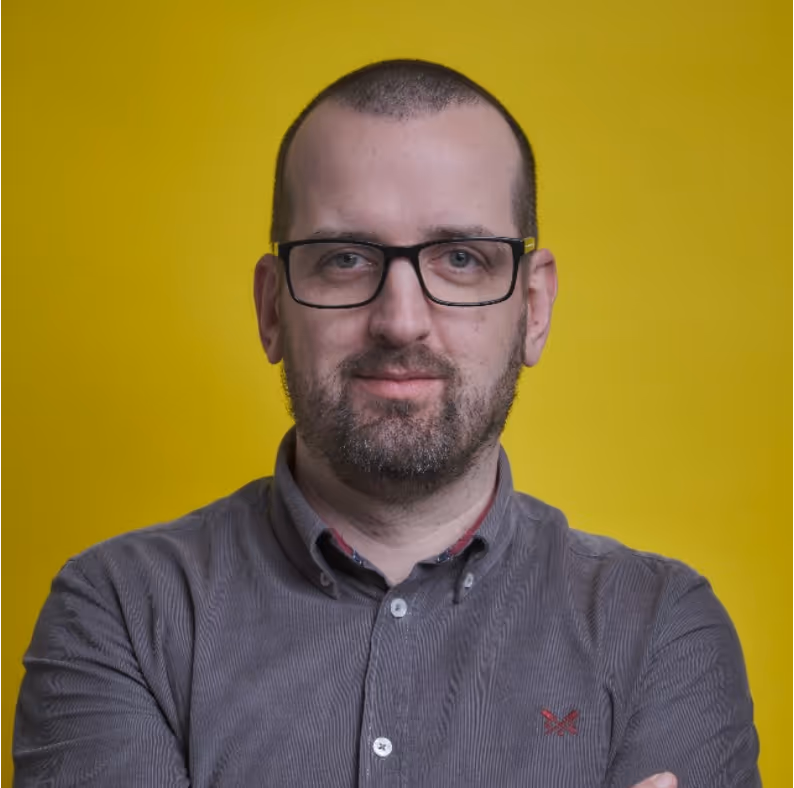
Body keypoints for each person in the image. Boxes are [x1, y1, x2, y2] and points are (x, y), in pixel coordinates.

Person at [13, 60, 760, 788]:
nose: (402, 321)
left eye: (461, 258)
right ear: (273, 309)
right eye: (344, 258)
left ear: (534, 308)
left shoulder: (660, 629)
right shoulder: (119, 613)